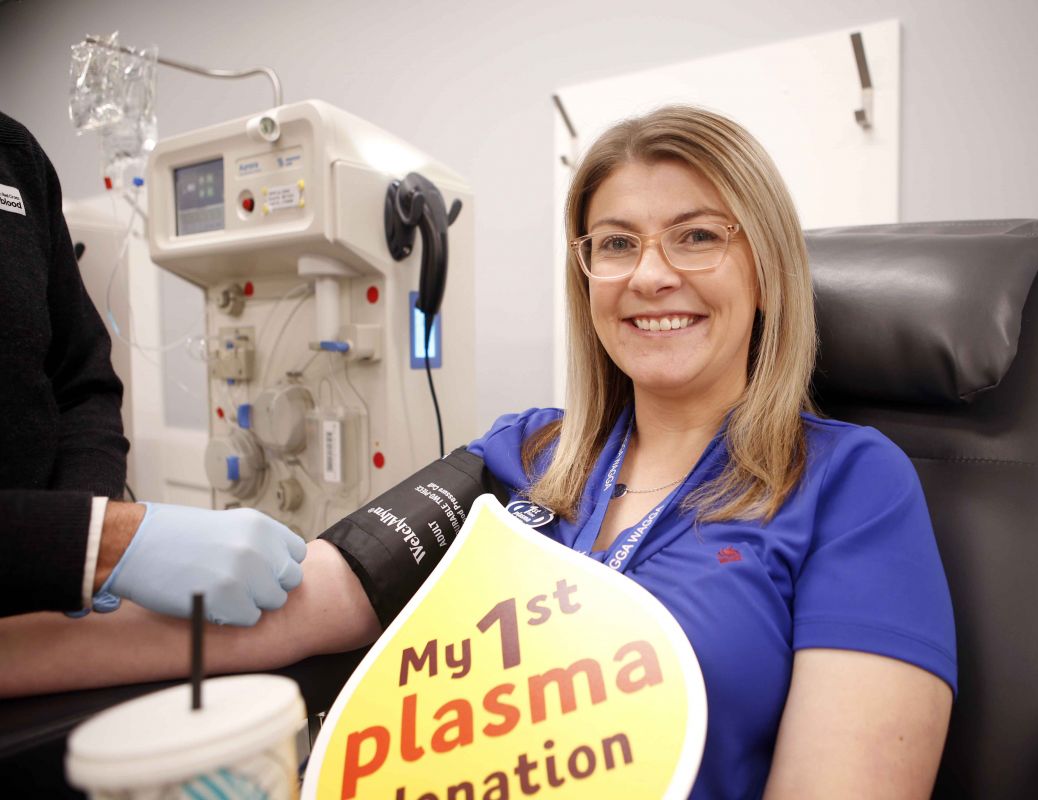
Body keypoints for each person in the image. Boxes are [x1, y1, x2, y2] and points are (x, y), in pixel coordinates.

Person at [0, 107, 955, 798]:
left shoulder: (847, 484)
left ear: (767, 268)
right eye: (614, 244)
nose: (650, 273)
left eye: (698, 236)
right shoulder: (521, 452)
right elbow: (293, 605)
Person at [0, 110, 306, 626]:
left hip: (49, 601)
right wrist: (95, 543)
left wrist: (81, 535)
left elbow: (83, 385)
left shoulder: (16, 156)